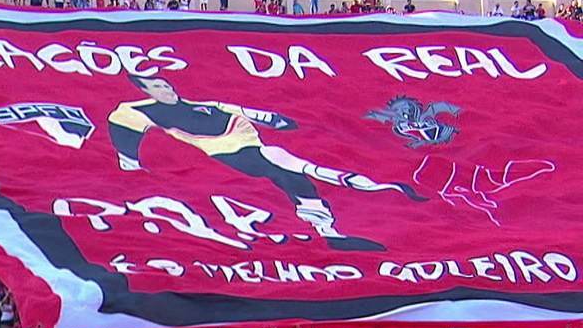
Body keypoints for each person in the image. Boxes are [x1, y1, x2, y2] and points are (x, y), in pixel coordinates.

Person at [108, 75, 424, 251]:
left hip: (250, 143)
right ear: (145, 90)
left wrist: (274, 119)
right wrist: (129, 164)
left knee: (294, 176)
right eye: (159, 87)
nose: (169, 89)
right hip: (228, 150)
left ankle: (332, 229)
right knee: (288, 165)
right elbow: (122, 125)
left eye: (168, 84)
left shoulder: (201, 105)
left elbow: (233, 107)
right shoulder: (141, 110)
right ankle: (370, 187)